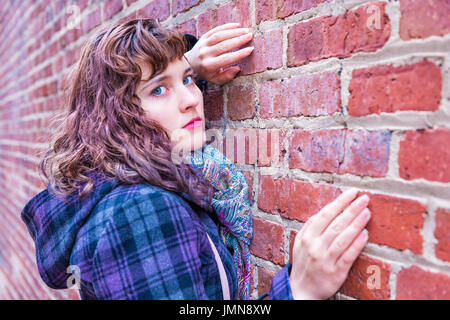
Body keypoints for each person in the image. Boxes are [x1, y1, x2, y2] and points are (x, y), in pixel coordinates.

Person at [20, 18, 371, 300]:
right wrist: (299, 291)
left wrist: (185, 68)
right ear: (116, 116)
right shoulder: (141, 210)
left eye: (187, 79)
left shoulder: (127, 181)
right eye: (159, 89)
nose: (190, 98)